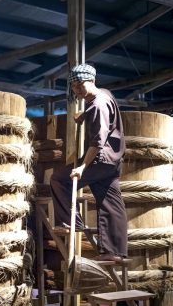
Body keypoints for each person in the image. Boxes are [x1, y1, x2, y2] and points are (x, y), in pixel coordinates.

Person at [50, 63, 128, 262]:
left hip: (100, 160)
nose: (77, 91)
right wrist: (84, 115)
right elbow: (102, 115)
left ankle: (70, 222)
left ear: (92, 80)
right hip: (113, 160)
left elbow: (97, 142)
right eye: (74, 87)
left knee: (59, 179)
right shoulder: (104, 94)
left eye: (80, 85)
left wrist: (82, 167)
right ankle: (114, 252)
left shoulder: (98, 104)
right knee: (111, 204)